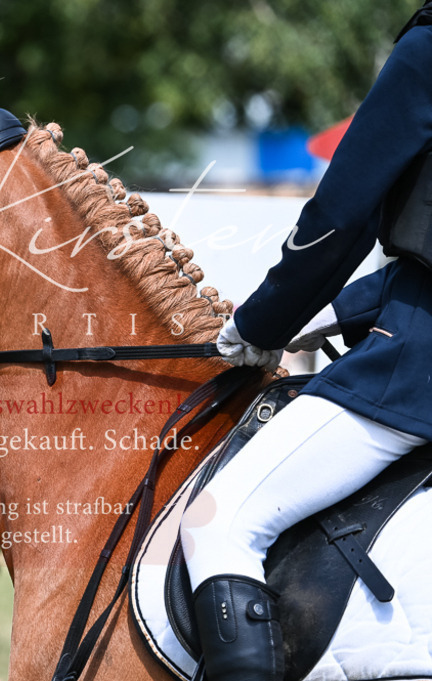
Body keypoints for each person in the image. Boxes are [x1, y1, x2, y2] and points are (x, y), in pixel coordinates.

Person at [179, 5, 432, 680]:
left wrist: (261, 325)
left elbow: (339, 219)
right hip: (404, 321)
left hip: (418, 368)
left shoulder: (428, 50)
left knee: (217, 520)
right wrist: (345, 312)